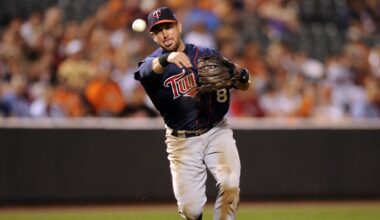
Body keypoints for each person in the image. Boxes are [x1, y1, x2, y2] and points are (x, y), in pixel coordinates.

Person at [134, 7, 251, 220]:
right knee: (191, 211)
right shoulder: (153, 63)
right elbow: (144, 72)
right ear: (153, 36)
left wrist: (242, 77)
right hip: (182, 141)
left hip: (217, 130)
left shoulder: (205, 54)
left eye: (168, 27)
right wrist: (166, 59)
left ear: (179, 26)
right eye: (158, 31)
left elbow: (241, 83)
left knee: (230, 184)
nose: (165, 34)